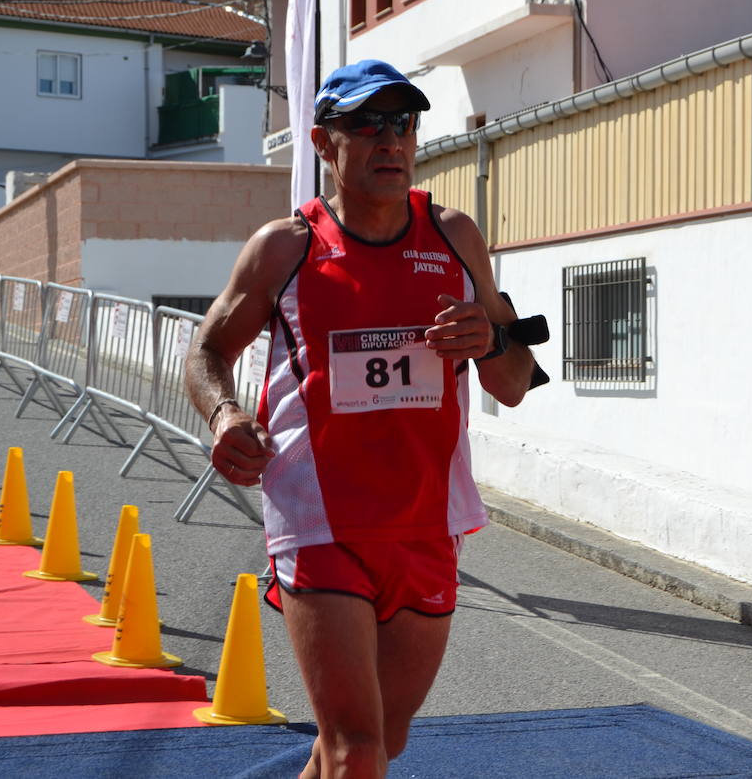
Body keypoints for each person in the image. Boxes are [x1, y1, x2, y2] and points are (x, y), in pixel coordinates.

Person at [186, 59, 535, 778]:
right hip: (319, 521)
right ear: (323, 141)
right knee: (358, 748)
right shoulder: (286, 247)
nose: (388, 140)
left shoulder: (455, 237)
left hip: (426, 522)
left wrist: (492, 339)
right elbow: (208, 348)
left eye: (402, 123)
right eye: (365, 124)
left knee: (380, 737)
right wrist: (224, 415)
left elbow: (515, 384)